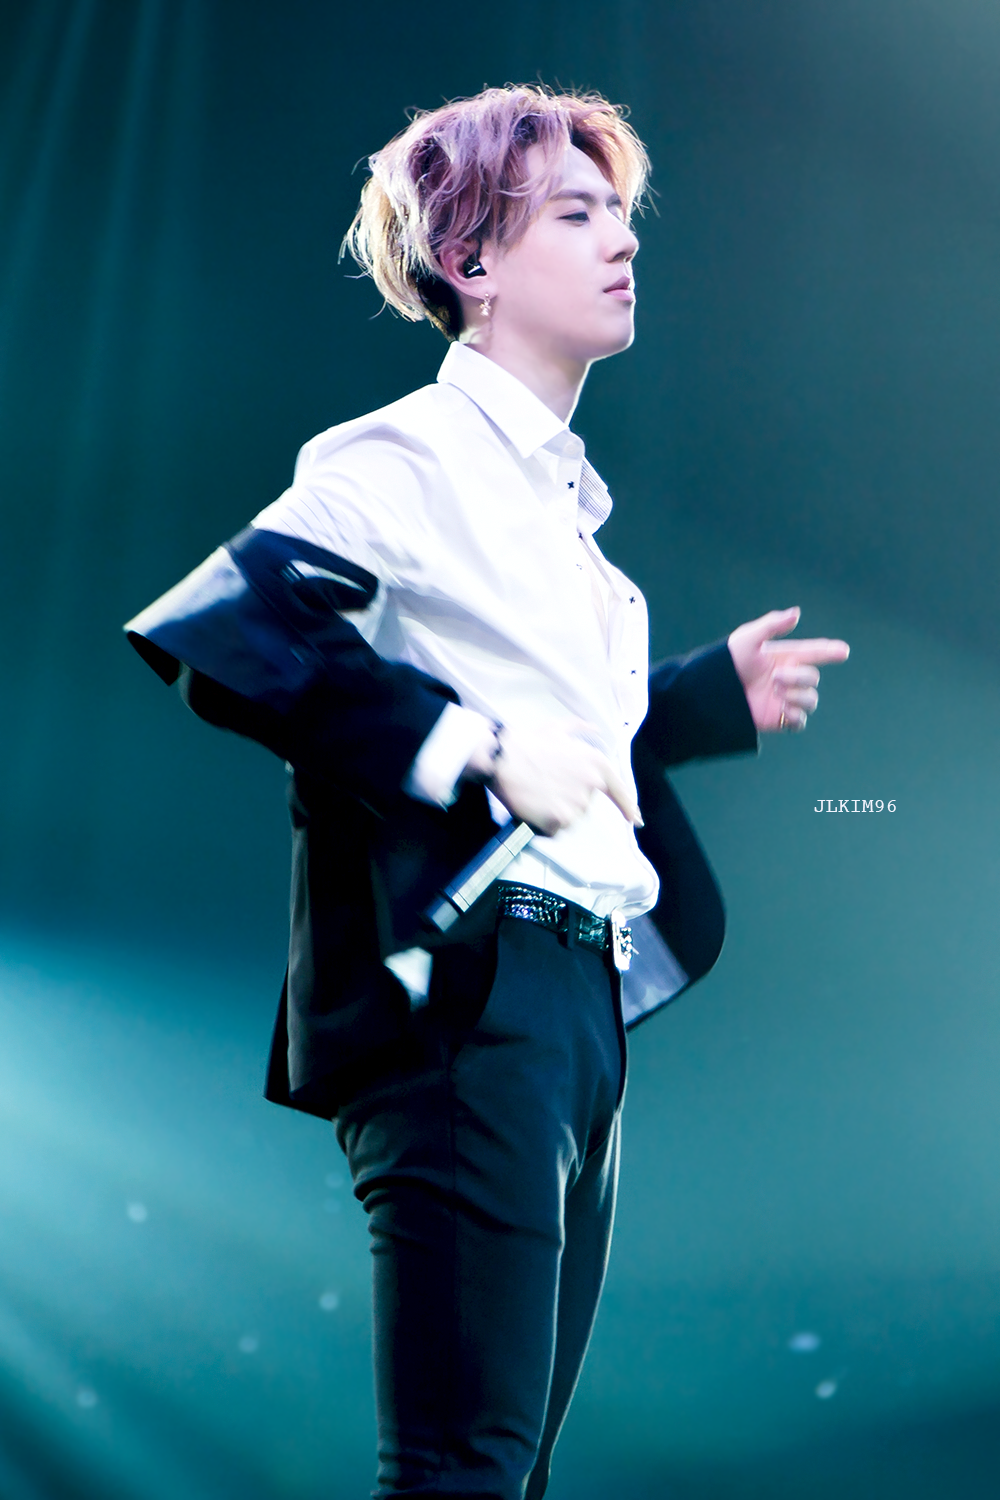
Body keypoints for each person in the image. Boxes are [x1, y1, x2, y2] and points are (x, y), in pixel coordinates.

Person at [125, 85, 849, 1500]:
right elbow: (231, 631)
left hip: (580, 1007)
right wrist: (476, 747)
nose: (621, 240)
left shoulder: (570, 525)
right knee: (464, 1472)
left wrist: (696, 699)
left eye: (621, 213)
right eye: (576, 215)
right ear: (470, 263)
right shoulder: (409, 457)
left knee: (497, 1477)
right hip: (474, 993)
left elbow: (570, 744)